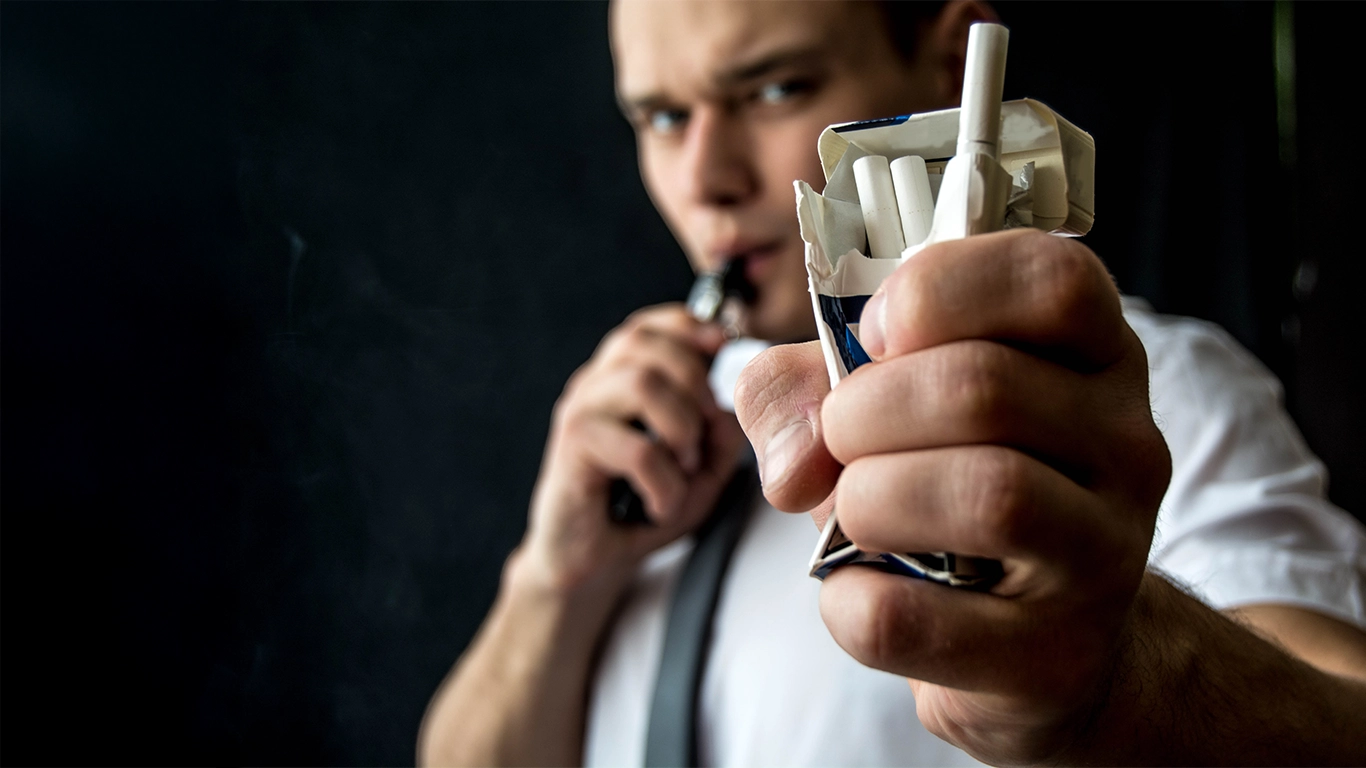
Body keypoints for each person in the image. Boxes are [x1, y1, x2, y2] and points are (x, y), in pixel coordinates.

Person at [419, 1, 1366, 764]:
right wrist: (553, 583)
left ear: (955, 63)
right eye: (663, 116)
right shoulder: (641, 448)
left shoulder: (1128, 395)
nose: (703, 176)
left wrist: (1118, 682)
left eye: (776, 87)